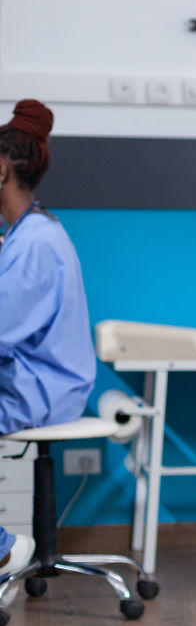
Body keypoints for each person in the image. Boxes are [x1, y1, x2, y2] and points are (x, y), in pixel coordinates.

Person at [0, 100, 95, 580]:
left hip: (42, 389)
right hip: (39, 381)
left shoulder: (34, 241)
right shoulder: (26, 233)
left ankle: (2, 550)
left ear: (0, 170)